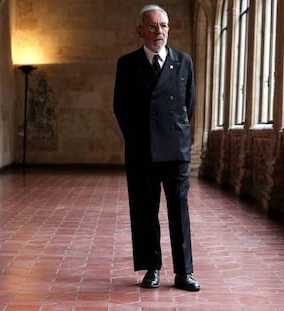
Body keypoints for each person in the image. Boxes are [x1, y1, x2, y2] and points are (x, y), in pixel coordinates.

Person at [113, 4, 200, 292]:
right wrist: (139, 139)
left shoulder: (183, 61)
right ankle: (152, 268)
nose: (159, 31)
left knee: (179, 212)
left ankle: (184, 273)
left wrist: (176, 136)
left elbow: (188, 105)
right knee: (145, 212)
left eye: (163, 25)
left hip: (175, 152)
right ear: (139, 31)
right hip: (142, 152)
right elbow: (120, 108)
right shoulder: (127, 64)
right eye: (152, 26)